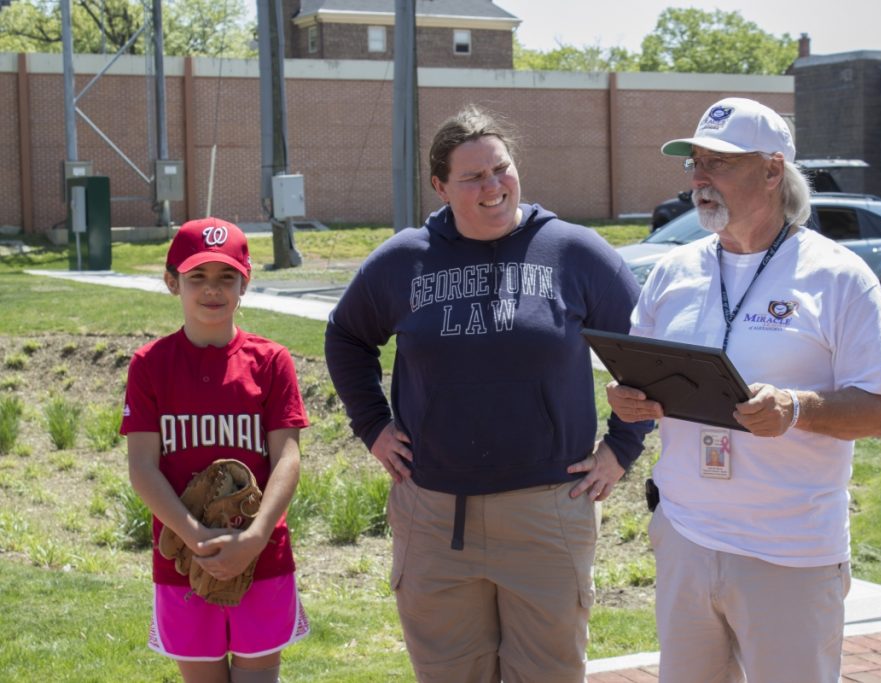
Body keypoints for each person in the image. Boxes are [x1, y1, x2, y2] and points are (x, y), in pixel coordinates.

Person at [324, 105, 651, 683]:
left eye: (501, 168)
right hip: (432, 513)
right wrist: (372, 426)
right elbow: (347, 336)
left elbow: (648, 349)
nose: (493, 186)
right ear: (440, 186)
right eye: (473, 177)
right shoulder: (406, 259)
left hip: (548, 510)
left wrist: (621, 447)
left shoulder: (575, 252)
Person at [607, 97, 881, 682]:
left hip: (789, 551)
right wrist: (629, 400)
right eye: (694, 163)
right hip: (686, 536)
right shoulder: (674, 272)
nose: (699, 179)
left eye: (719, 163)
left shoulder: (837, 276)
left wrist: (796, 408)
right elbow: (636, 373)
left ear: (773, 171)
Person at [121, 218, 310, 683]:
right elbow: (143, 466)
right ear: (172, 283)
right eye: (196, 277)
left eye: (226, 276)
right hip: (184, 558)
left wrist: (254, 539)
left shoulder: (270, 361)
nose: (212, 290)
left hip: (262, 554)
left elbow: (287, 457)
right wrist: (194, 535)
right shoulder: (150, 366)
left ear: (245, 283)